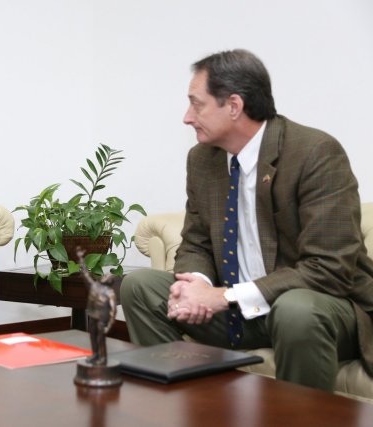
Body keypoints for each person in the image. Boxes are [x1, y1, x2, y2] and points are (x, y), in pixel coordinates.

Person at [120, 49, 373, 392]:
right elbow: (196, 242)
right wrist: (194, 284)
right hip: (242, 313)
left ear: (234, 106)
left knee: (295, 309)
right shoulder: (203, 160)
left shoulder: (315, 153)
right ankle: (192, 407)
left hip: (320, 310)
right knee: (141, 288)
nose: (187, 117)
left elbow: (329, 269)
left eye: (197, 105)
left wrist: (223, 297)